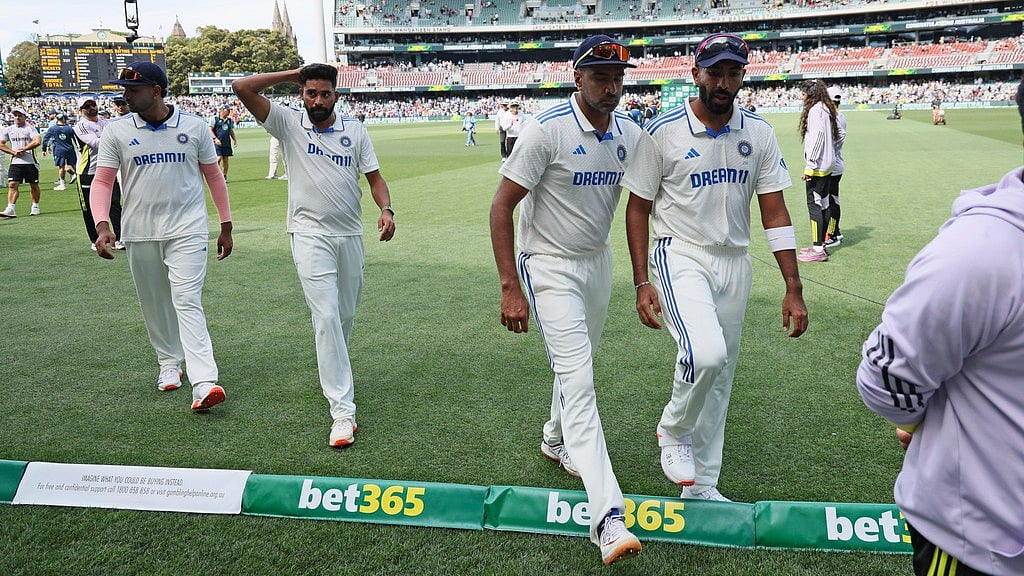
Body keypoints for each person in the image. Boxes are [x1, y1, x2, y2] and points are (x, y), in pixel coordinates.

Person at [622, 32, 808, 502]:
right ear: (696, 74)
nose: (724, 83)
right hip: (679, 252)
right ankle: (673, 428)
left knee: (721, 377)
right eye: (715, 72)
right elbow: (637, 208)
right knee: (705, 354)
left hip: (735, 262)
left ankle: (702, 486)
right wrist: (642, 279)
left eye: (733, 72)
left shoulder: (759, 133)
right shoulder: (663, 132)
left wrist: (793, 285)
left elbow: (775, 212)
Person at [856, 80, 1024, 576]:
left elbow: (888, 385)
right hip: (983, 545)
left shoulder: (981, 252)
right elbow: (888, 382)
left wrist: (919, 418)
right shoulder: (984, 252)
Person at [489, 34, 643, 566]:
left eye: (618, 77)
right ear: (577, 78)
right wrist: (510, 285)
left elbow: (649, 197)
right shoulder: (545, 129)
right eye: (600, 77)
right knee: (579, 380)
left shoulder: (628, 132)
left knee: (578, 366)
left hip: (596, 263)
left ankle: (555, 441)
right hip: (547, 265)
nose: (611, 86)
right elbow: (501, 207)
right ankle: (608, 517)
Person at [232, 63, 396, 448]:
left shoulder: (354, 130)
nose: (318, 100)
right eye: (311, 93)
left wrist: (387, 210)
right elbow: (242, 87)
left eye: (324, 93)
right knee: (325, 316)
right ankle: (343, 411)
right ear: (301, 95)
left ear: (336, 96)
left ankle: (334, 367)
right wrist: (292, 73)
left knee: (343, 316)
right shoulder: (288, 124)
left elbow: (375, 179)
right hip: (308, 234)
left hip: (350, 234)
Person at [90, 61, 233, 412]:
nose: (124, 96)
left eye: (132, 90)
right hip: (140, 231)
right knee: (154, 302)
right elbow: (104, 180)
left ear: (156, 91)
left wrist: (226, 224)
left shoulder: (195, 126)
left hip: (188, 229)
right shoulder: (116, 131)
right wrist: (102, 225)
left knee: (187, 300)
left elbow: (214, 177)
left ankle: (204, 382)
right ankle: (168, 363)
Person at [796, 80, 839, 263]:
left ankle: (817, 248)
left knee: (814, 205)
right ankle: (820, 244)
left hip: (819, 167)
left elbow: (818, 138)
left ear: (810, 94)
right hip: (828, 164)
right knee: (823, 203)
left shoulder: (815, 111)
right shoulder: (825, 108)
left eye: (803, 93)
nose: (802, 96)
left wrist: (810, 166)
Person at [74, 96, 123, 250]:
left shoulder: (106, 123)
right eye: (87, 106)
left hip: (108, 168)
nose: (91, 108)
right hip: (88, 170)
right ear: (81, 110)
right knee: (89, 208)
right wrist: (116, 137)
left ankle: (121, 238)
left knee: (115, 204)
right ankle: (95, 239)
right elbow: (95, 143)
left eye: (92, 104)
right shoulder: (81, 126)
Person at [0, 108, 43, 218]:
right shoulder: (9, 129)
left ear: (25, 117)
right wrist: (13, 152)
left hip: (30, 161)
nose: (17, 118)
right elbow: (1, 143)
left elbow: (37, 141)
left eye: (20, 115)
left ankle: (35, 206)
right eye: (15, 115)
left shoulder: (30, 128)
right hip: (16, 161)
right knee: (12, 184)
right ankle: (10, 208)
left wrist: (24, 149)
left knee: (33, 184)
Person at [825, 86, 847, 248]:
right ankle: (836, 231)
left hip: (831, 165)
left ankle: (832, 235)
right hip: (836, 163)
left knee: (831, 201)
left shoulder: (833, 118)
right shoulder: (840, 116)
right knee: (833, 199)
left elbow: (833, 142)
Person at [41, 112, 77, 191]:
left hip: (59, 149)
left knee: (61, 167)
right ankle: (81, 180)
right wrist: (79, 148)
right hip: (70, 148)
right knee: (75, 165)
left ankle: (62, 184)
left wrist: (44, 149)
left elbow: (46, 139)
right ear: (64, 119)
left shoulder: (53, 128)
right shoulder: (69, 128)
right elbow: (76, 139)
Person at [210, 104, 237, 182]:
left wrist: (234, 139)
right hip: (217, 142)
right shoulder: (215, 119)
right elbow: (210, 129)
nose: (229, 112)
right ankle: (214, 175)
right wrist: (215, 139)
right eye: (227, 110)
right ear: (222, 110)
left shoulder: (229, 120)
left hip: (226, 143)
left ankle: (224, 176)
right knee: (218, 158)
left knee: (226, 160)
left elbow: (231, 131)